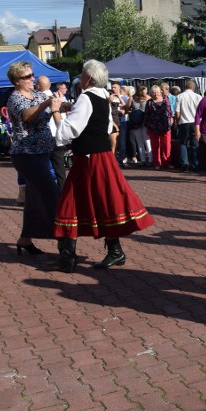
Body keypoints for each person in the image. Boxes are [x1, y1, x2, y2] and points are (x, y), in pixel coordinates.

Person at [52, 60, 155, 272]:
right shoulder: (102, 96)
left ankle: (69, 257)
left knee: (71, 202)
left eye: (81, 74)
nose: (79, 78)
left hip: (90, 158)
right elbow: (108, 126)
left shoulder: (86, 97)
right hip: (99, 155)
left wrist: (56, 112)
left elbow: (69, 131)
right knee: (103, 201)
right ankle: (112, 251)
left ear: (88, 78)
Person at [6, 61, 63, 255]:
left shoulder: (38, 94)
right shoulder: (15, 99)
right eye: (27, 76)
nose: (32, 79)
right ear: (16, 81)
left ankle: (24, 239)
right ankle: (65, 242)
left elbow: (57, 106)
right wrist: (48, 102)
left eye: (32, 75)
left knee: (33, 198)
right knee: (51, 194)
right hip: (26, 154)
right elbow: (28, 116)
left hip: (42, 152)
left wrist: (75, 104)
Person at [145, 85, 174, 170]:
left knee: (167, 145)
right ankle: (157, 163)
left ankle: (167, 162)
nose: (155, 94)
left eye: (157, 92)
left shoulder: (166, 100)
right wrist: (147, 127)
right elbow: (146, 115)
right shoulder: (149, 102)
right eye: (153, 92)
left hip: (165, 126)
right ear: (151, 93)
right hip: (153, 126)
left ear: (160, 92)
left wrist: (171, 118)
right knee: (155, 146)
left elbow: (170, 111)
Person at [176, 79, 202, 172]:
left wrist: (176, 121)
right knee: (194, 143)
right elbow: (201, 112)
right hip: (195, 123)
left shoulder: (179, 96)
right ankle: (195, 164)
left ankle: (185, 163)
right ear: (193, 87)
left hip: (183, 122)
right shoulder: (198, 97)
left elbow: (177, 113)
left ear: (185, 87)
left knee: (183, 143)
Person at [129, 85, 151, 166]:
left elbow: (128, 108)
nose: (147, 91)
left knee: (139, 141)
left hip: (136, 121)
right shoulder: (148, 98)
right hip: (145, 121)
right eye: (145, 90)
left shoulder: (132, 98)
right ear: (142, 91)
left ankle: (142, 160)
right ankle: (150, 159)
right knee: (147, 140)